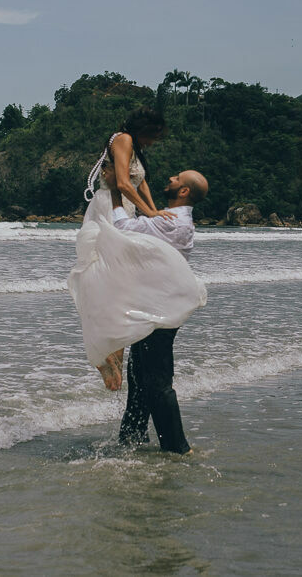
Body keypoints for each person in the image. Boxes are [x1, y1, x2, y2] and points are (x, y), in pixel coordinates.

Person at [73, 108, 182, 392]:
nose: (154, 142)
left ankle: (113, 356)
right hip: (111, 209)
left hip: (126, 211)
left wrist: (153, 209)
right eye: (154, 136)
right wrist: (151, 213)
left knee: (123, 283)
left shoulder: (133, 147)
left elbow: (140, 181)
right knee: (119, 282)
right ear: (144, 129)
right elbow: (121, 182)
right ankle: (106, 351)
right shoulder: (122, 139)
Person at [108, 167, 208, 454]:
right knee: (139, 375)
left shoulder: (173, 223)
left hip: (160, 312)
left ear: (184, 191)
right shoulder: (167, 218)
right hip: (152, 307)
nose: (171, 178)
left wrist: (116, 190)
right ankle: (132, 438)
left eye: (176, 178)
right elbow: (143, 217)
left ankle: (178, 448)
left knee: (157, 381)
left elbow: (123, 228)